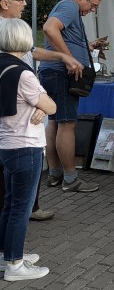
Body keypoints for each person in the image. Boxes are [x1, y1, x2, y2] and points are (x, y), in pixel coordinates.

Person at [0, 0, 82, 221]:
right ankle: (16, 216)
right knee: (18, 160)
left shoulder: (16, 27)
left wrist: (61, 55)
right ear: (5, 3)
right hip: (14, 107)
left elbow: (31, 50)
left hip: (28, 100)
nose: (25, 3)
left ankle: (29, 207)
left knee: (31, 156)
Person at [0, 18, 56, 281]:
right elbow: (52, 106)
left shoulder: (3, 65)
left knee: (10, 204)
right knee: (21, 209)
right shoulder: (24, 73)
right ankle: (15, 264)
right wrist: (42, 105)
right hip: (26, 145)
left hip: (7, 144)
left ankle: (6, 253)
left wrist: (39, 105)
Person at [39, 0, 104, 193]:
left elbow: (61, 34)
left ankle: (55, 174)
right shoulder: (70, 6)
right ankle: (70, 179)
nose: (92, 10)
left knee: (56, 122)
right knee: (67, 124)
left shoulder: (68, 7)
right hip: (60, 73)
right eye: (92, 5)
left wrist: (87, 46)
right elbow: (49, 28)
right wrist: (68, 57)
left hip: (53, 71)